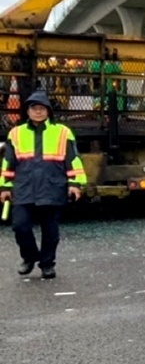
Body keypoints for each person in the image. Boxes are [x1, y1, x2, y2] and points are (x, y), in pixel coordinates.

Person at [0, 91, 85, 280]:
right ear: (27, 111)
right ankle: (29, 257)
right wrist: (4, 187)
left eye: (42, 108)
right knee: (20, 226)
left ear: (48, 111)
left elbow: (73, 159)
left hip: (52, 186)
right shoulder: (16, 133)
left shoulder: (62, 132)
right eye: (34, 108)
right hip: (24, 187)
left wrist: (75, 183)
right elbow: (8, 162)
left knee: (50, 230)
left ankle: (47, 264)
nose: (38, 112)